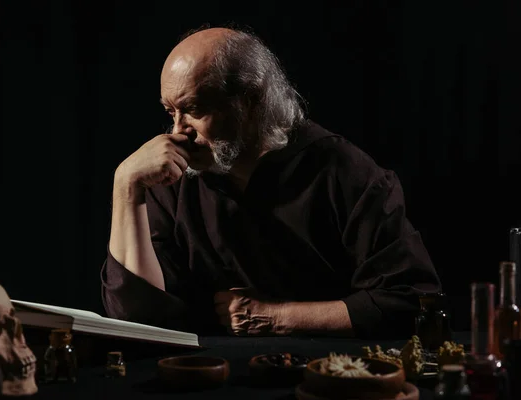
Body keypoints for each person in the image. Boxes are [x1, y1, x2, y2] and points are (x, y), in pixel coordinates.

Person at [100, 25, 442, 339]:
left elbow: (413, 303)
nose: (177, 132)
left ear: (249, 102)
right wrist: (126, 186)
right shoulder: (172, 176)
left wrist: (279, 317)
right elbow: (136, 320)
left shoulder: (345, 172)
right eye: (170, 112)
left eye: (194, 110)